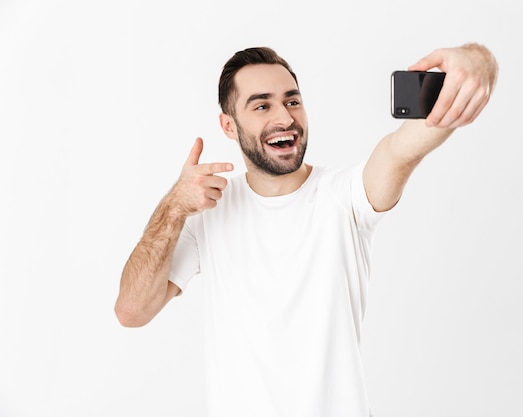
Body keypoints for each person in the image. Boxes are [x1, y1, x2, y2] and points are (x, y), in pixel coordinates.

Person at [115, 43, 498, 416]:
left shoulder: (347, 196)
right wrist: (173, 207)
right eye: (262, 105)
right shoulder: (205, 214)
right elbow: (132, 311)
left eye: (292, 101)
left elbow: (402, 148)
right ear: (228, 126)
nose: (284, 117)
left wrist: (478, 62)